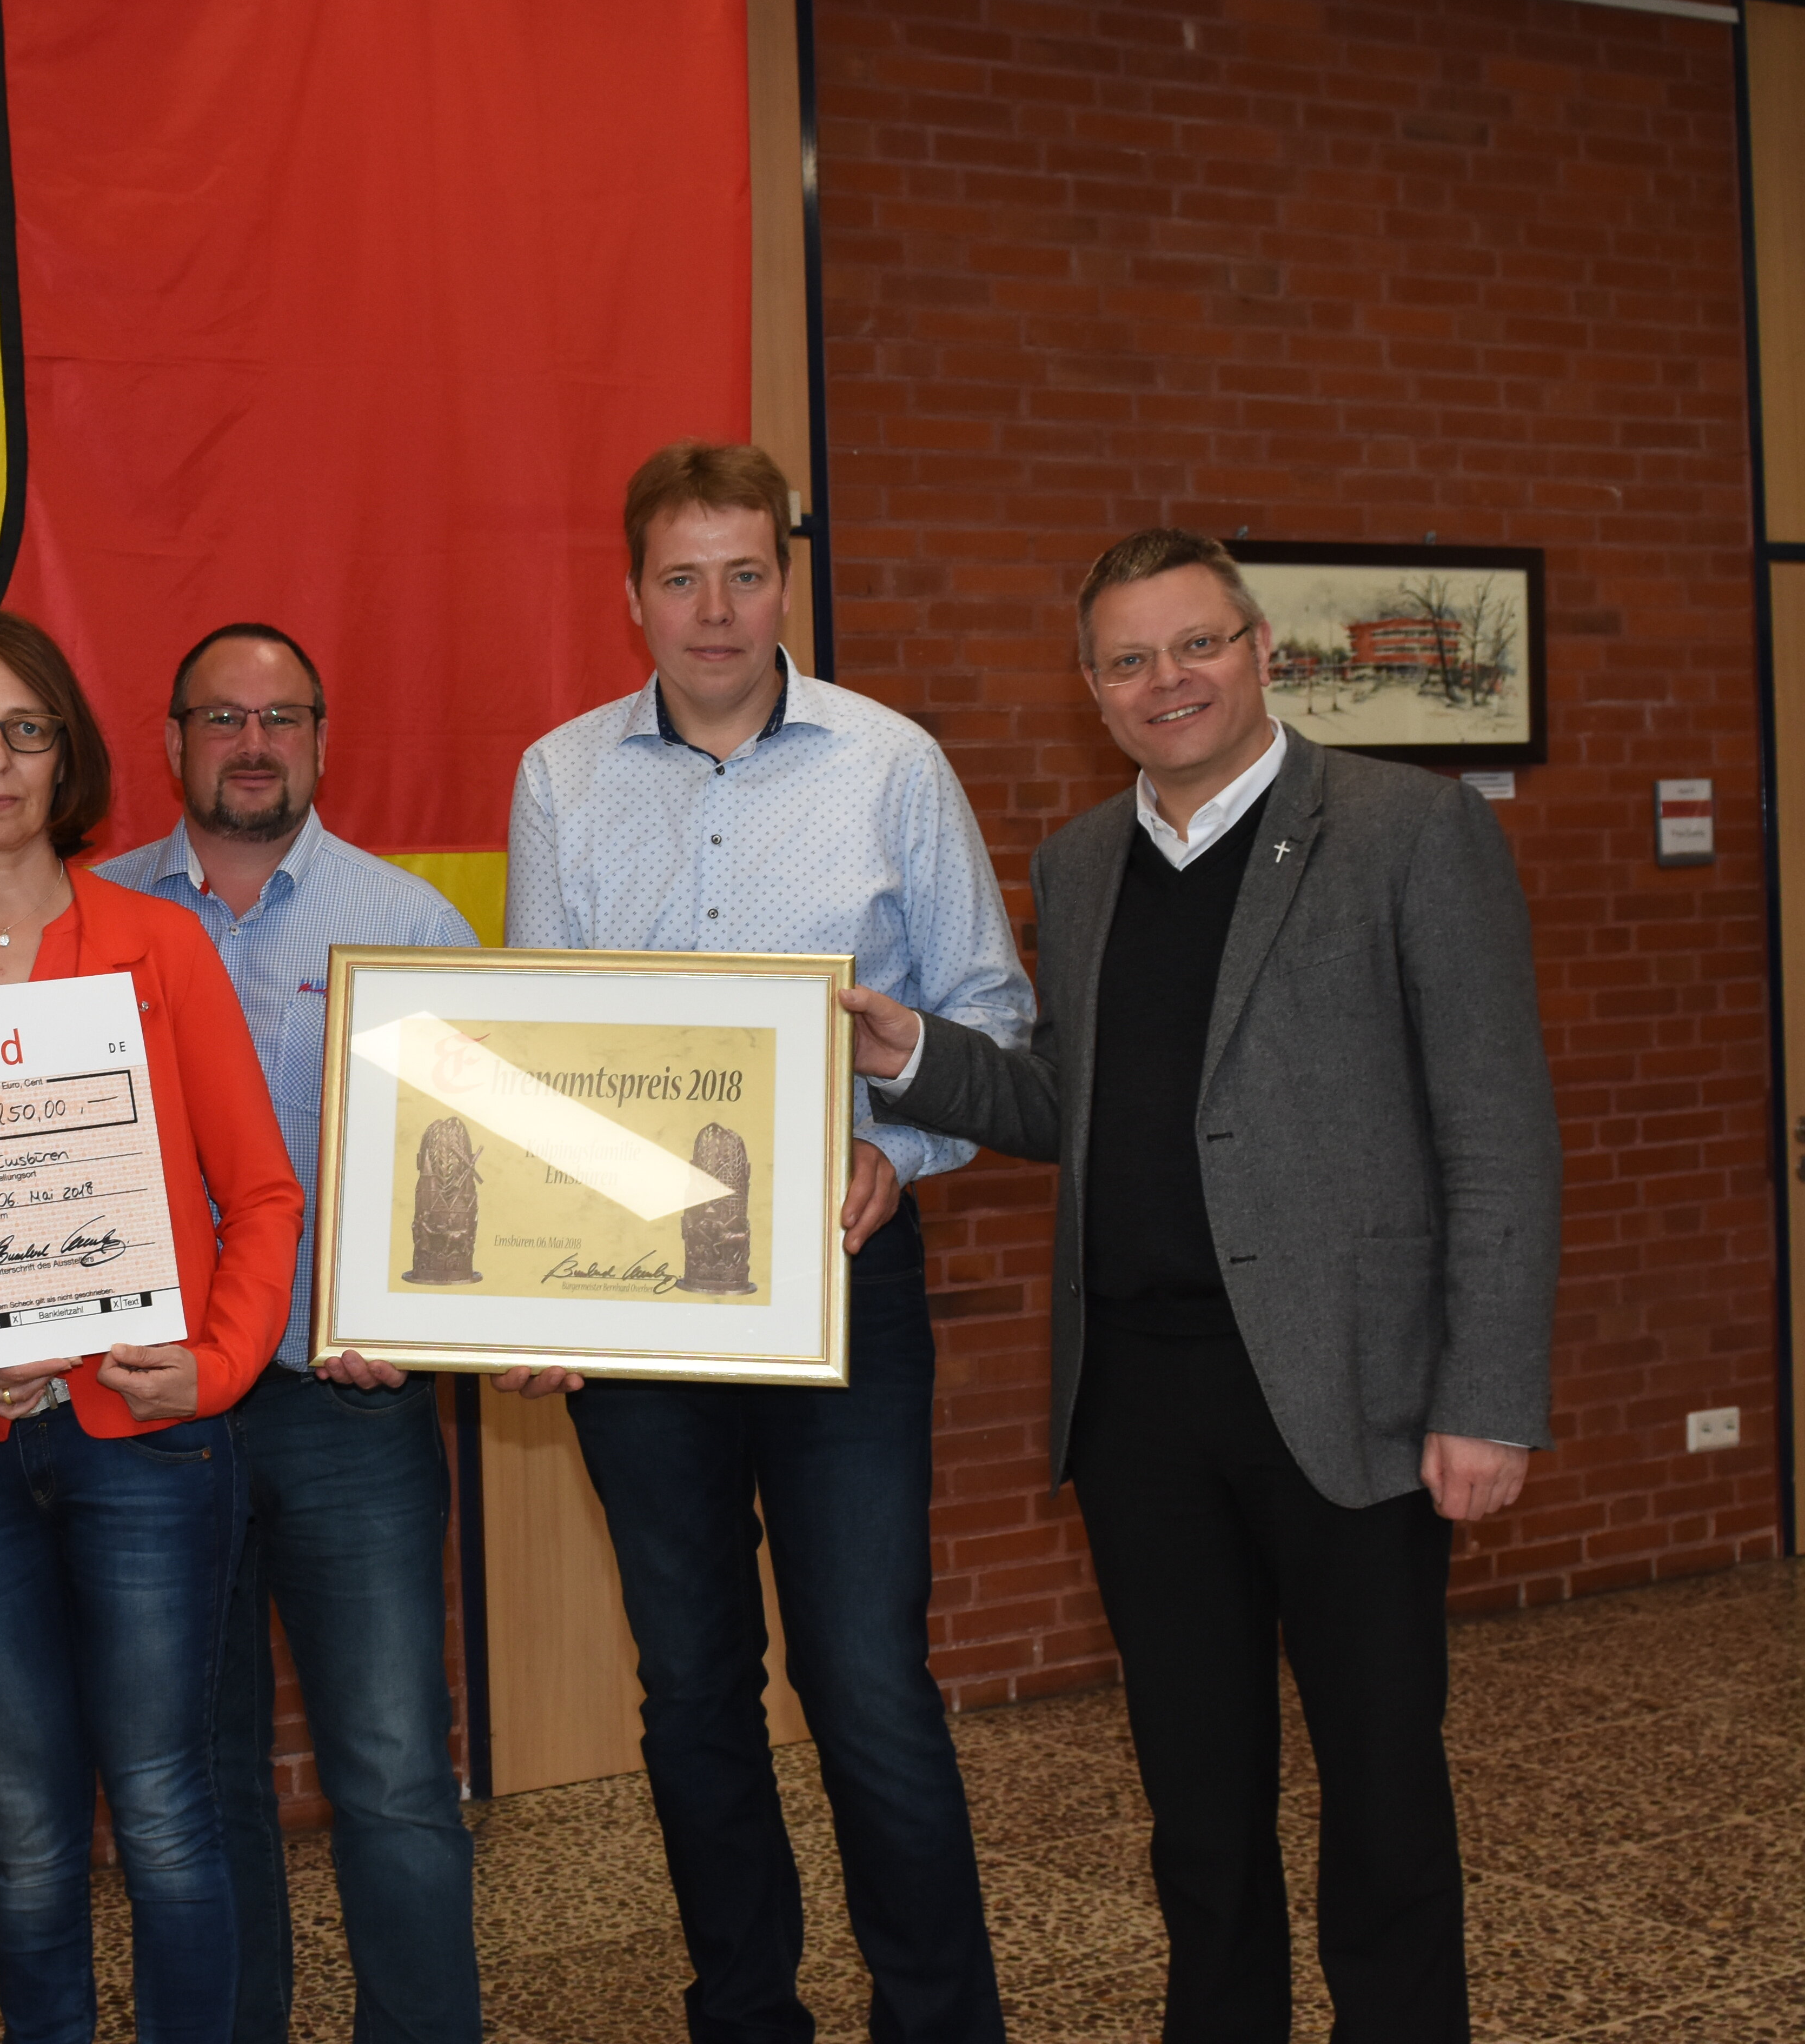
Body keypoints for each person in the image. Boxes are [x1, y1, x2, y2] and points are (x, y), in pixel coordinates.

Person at [844, 528, 1557, 2041]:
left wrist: (1487, 1397)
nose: (1166, 681)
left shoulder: (1409, 830)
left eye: (1196, 644)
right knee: (1197, 1803)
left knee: (1382, 1790)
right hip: (1138, 1407)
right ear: (1091, 686)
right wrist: (919, 1059)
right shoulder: (1081, 863)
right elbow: (1074, 1105)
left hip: (1350, 1393)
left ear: (1260, 651)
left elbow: (1497, 1132)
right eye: (1128, 659)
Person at [499, 441, 1032, 2044]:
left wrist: (900, 1151)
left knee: (868, 1682)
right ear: (633, 596)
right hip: (639, 1303)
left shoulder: (892, 765)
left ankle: (941, 2025)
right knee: (692, 1689)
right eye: (683, 578)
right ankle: (745, 2015)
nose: (716, 610)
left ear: (785, 583)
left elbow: (991, 1018)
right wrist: (529, 1276)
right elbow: (541, 1055)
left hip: (841, 1282)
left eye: (745, 574)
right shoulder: (560, 780)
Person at [0, 612, 301, 2044]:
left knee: (166, 1812)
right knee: (28, 1835)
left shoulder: (161, 947)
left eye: (25, 731)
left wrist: (217, 1368)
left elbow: (265, 1195)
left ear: (66, 757)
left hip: (147, 1439)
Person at [94, 622, 483, 2044]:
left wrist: (426, 1317)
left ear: (322, 740)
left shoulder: (412, 924)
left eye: (281, 719)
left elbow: (476, 1170)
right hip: (154, 1413)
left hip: (345, 1407)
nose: (252, 744)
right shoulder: (93, 921)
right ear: (173, 742)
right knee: (196, 1783)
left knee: (393, 1774)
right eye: (222, 717)